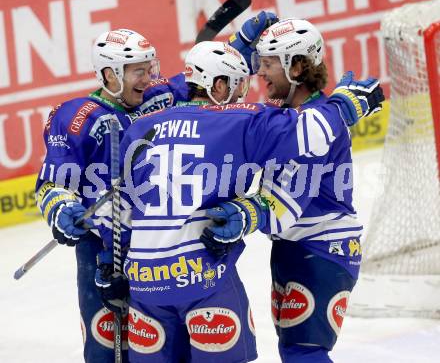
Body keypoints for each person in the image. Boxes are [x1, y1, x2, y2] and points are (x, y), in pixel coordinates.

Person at [98, 40, 383, 362]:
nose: (241, 95)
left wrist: (111, 262)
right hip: (201, 277)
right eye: (237, 86)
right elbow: (312, 132)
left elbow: (115, 208)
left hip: (145, 284)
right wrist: (345, 105)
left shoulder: (140, 128)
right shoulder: (238, 119)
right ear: (218, 86)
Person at [201, 18, 377, 362]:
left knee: (303, 353)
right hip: (296, 249)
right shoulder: (285, 115)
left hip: (322, 249)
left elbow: (285, 207)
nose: (260, 74)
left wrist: (245, 213)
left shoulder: (317, 124)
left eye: (268, 64)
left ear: (297, 67)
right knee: (293, 349)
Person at [34, 28, 190, 362]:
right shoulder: (77, 117)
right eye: (139, 71)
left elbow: (203, 79)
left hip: (157, 245)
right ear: (110, 74)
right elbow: (54, 181)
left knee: (164, 345)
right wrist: (61, 209)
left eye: (151, 68)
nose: (149, 78)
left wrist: (240, 45)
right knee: (106, 348)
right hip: (101, 249)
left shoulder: (156, 96)